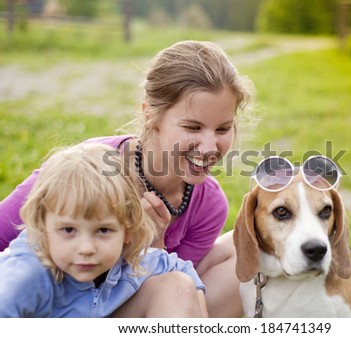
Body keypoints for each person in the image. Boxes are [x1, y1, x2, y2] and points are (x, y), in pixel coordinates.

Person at [0, 40, 255, 317]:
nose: (209, 148)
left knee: (248, 250)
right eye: (192, 127)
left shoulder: (209, 203)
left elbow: (169, 278)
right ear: (150, 115)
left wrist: (153, 244)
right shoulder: (83, 172)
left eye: (222, 128)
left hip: (123, 305)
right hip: (52, 307)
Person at [0, 143, 207, 317]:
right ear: (43, 228)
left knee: (178, 285)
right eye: (69, 230)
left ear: (128, 231)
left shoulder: (129, 262)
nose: (87, 248)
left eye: (103, 231)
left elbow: (182, 271)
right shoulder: (27, 274)